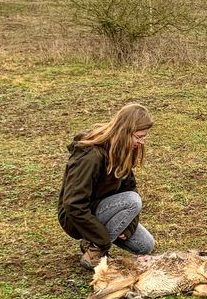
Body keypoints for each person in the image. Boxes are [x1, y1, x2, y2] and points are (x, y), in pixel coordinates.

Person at [58, 103, 156, 269]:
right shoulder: (90, 155)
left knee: (145, 246)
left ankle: (92, 241)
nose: (141, 142)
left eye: (144, 137)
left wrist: (129, 225)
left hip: (104, 210)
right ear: (124, 131)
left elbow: (129, 187)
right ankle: (95, 249)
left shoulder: (124, 149)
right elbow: (73, 204)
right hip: (76, 218)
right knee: (132, 201)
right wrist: (102, 240)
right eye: (138, 137)